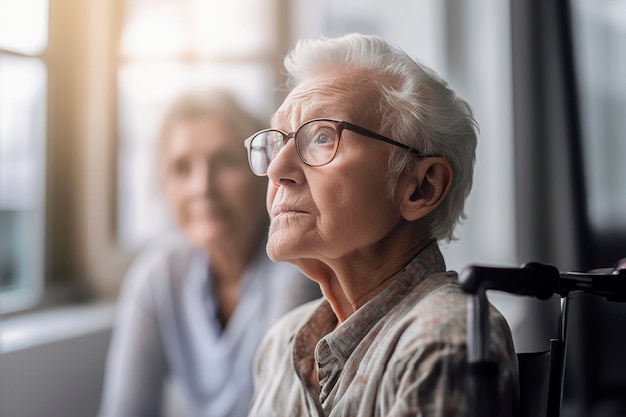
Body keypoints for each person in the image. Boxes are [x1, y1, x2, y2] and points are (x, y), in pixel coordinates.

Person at [243, 33, 519, 416]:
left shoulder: (441, 341)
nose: (277, 170)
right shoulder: (282, 344)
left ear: (422, 187)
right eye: (277, 143)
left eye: (322, 136)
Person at [99, 89, 321, 417]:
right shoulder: (158, 274)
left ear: (265, 172)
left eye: (224, 162)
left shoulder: (297, 270)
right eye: (181, 168)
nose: (202, 187)